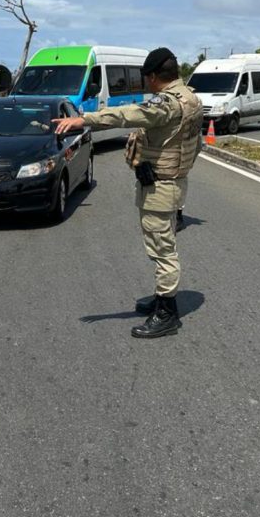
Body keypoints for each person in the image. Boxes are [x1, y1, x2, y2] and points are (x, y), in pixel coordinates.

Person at [53, 48, 203, 339]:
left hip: (161, 186)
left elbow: (128, 115)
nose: (146, 83)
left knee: (162, 250)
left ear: (153, 77)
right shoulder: (190, 97)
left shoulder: (168, 104)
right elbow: (195, 145)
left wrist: (83, 120)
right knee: (162, 244)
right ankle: (161, 298)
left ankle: (167, 313)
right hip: (171, 181)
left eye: (146, 78)